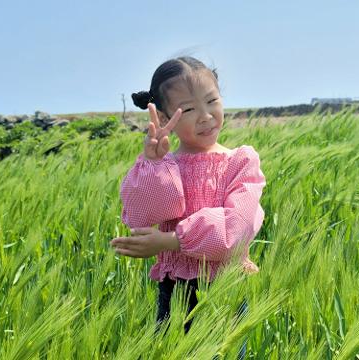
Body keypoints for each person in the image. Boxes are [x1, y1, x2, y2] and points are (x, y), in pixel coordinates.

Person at [110, 56, 266, 359]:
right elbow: (141, 215)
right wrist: (154, 163)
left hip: (225, 291)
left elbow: (236, 230)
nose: (206, 116)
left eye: (212, 101)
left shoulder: (241, 162)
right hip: (175, 291)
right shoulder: (164, 163)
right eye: (190, 109)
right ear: (165, 116)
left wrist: (170, 241)